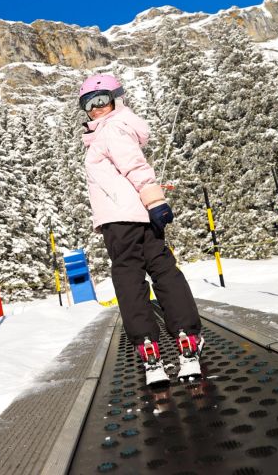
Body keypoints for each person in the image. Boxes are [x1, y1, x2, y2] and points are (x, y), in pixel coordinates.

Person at [78, 73, 203, 386]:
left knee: (129, 277)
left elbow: (135, 165)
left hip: (122, 222)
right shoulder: (114, 127)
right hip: (139, 216)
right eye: (87, 103)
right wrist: (151, 205)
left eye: (100, 100)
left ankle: (149, 348)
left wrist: (155, 199)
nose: (94, 108)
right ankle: (186, 338)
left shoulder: (112, 128)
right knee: (163, 270)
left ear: (117, 98)